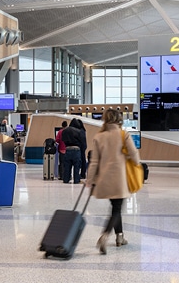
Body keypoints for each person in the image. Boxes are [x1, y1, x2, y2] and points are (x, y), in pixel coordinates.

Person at [89, 109, 139, 255]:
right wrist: (133, 161)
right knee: (117, 209)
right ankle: (105, 235)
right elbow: (134, 155)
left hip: (105, 178)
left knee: (115, 206)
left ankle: (120, 237)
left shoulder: (99, 136)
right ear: (119, 119)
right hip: (119, 178)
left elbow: (94, 162)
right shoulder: (123, 135)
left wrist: (90, 179)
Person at [60, 118, 87, 184]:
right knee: (76, 166)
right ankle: (76, 180)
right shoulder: (79, 131)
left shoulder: (65, 131)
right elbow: (82, 143)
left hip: (67, 149)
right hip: (76, 150)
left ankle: (66, 179)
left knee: (67, 166)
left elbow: (63, 139)